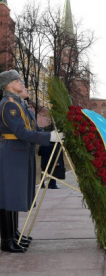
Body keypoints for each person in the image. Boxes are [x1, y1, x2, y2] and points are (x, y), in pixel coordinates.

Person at [0, 70, 63, 253]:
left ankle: (14, 234)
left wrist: (50, 133)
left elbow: (31, 128)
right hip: (12, 152)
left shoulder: (19, 103)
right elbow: (20, 132)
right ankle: (7, 239)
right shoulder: (8, 105)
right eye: (18, 80)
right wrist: (48, 137)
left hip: (20, 152)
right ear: (10, 84)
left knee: (14, 196)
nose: (22, 83)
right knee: (7, 196)